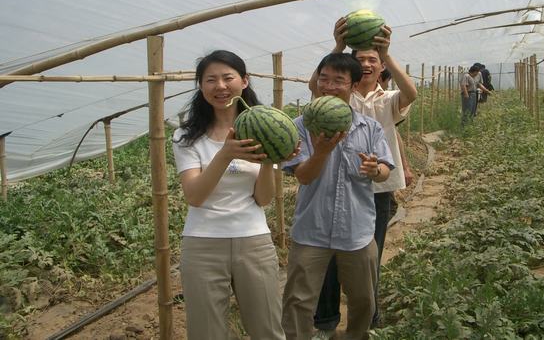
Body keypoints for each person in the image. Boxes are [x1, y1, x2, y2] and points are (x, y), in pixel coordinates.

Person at [309, 17, 417, 335]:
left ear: (381, 66)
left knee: (371, 255)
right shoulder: (342, 94)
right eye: (361, 60)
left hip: (378, 186)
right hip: (339, 185)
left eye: (373, 60)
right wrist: (339, 47)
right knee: (329, 254)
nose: (367, 64)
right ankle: (326, 319)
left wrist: (388, 53)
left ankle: (368, 316)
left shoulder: (388, 99)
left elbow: (410, 93)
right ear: (351, 70)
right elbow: (317, 86)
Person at [172, 50, 291, 340]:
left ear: (244, 81)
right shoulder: (186, 137)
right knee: (206, 333)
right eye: (210, 79)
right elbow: (195, 196)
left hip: (254, 240)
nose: (220, 86)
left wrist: (268, 159)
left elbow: (263, 199)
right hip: (202, 245)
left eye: (228, 78)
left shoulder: (264, 129)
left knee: (268, 329)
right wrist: (225, 153)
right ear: (200, 87)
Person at [281, 52, 394, 340]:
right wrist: (321, 152)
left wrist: (375, 169)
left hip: (357, 230)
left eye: (338, 80)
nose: (329, 86)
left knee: (364, 300)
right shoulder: (299, 127)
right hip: (311, 230)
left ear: (354, 85)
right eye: (324, 79)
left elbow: (384, 170)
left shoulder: (369, 127)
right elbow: (303, 176)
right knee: (298, 302)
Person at [377, 68, 414, 218]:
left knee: (386, 209)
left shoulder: (387, 99)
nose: (387, 86)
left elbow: (395, 135)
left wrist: (405, 167)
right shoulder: (351, 99)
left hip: (382, 173)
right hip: (368, 176)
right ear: (380, 78)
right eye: (388, 81)